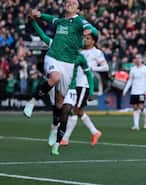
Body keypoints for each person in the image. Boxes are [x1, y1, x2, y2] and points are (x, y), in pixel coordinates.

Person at [24, 0, 98, 155]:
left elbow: (93, 30)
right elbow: (49, 21)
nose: (70, 2)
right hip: (53, 59)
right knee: (55, 80)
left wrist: (89, 30)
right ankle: (31, 102)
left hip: (68, 71)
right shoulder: (60, 25)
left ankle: (56, 138)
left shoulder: (79, 23)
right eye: (68, 1)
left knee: (64, 111)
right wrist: (38, 16)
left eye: (74, 2)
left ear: (78, 8)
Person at [60, 32, 109, 146]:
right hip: (74, 84)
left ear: (93, 41)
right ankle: (95, 132)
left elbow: (105, 67)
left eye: (88, 38)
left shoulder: (97, 52)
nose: (85, 40)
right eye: (85, 38)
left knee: (75, 110)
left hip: (84, 84)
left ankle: (65, 138)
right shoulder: (80, 52)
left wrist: (93, 67)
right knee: (79, 111)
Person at [123, 54, 146, 130]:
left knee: (141, 107)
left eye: (139, 58)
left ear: (141, 59)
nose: (138, 59)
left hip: (142, 91)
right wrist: (125, 89)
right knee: (135, 108)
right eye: (136, 58)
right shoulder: (133, 69)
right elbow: (130, 80)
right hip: (134, 91)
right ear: (135, 60)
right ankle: (136, 125)